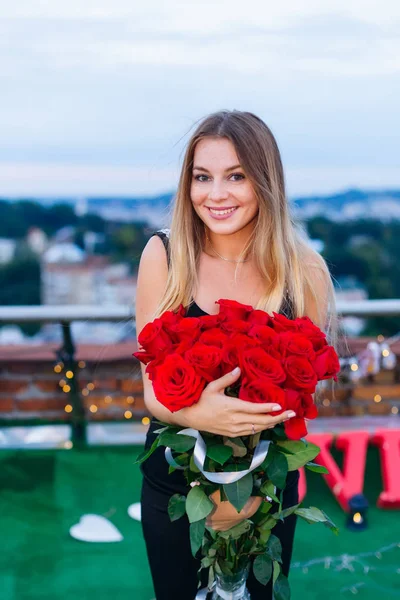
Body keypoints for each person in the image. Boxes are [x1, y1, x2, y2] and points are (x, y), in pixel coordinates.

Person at [135, 110, 336, 599]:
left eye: (236, 176)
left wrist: (243, 489)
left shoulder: (304, 270)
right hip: (175, 493)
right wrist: (201, 413)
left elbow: (304, 395)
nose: (216, 194)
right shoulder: (163, 255)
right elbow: (151, 392)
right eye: (202, 177)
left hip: (266, 494)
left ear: (265, 181)